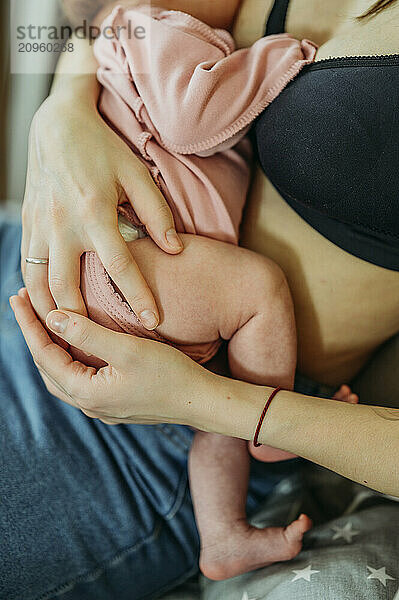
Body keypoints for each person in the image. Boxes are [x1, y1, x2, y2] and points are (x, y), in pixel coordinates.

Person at [1, 0, 398, 599]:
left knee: (222, 413)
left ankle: (224, 535)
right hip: (92, 276)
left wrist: (238, 407)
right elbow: (117, 45)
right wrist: (60, 116)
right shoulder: (156, 21)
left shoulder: (150, 21)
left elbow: (103, 24)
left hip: (158, 385)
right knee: (255, 291)